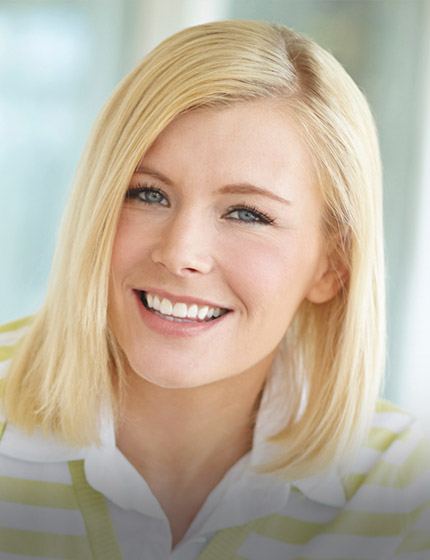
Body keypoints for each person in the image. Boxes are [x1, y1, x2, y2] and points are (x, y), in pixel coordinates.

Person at [0, 19, 429, 560]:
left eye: (247, 213)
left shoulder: (402, 493)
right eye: (148, 194)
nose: (180, 252)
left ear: (332, 266)